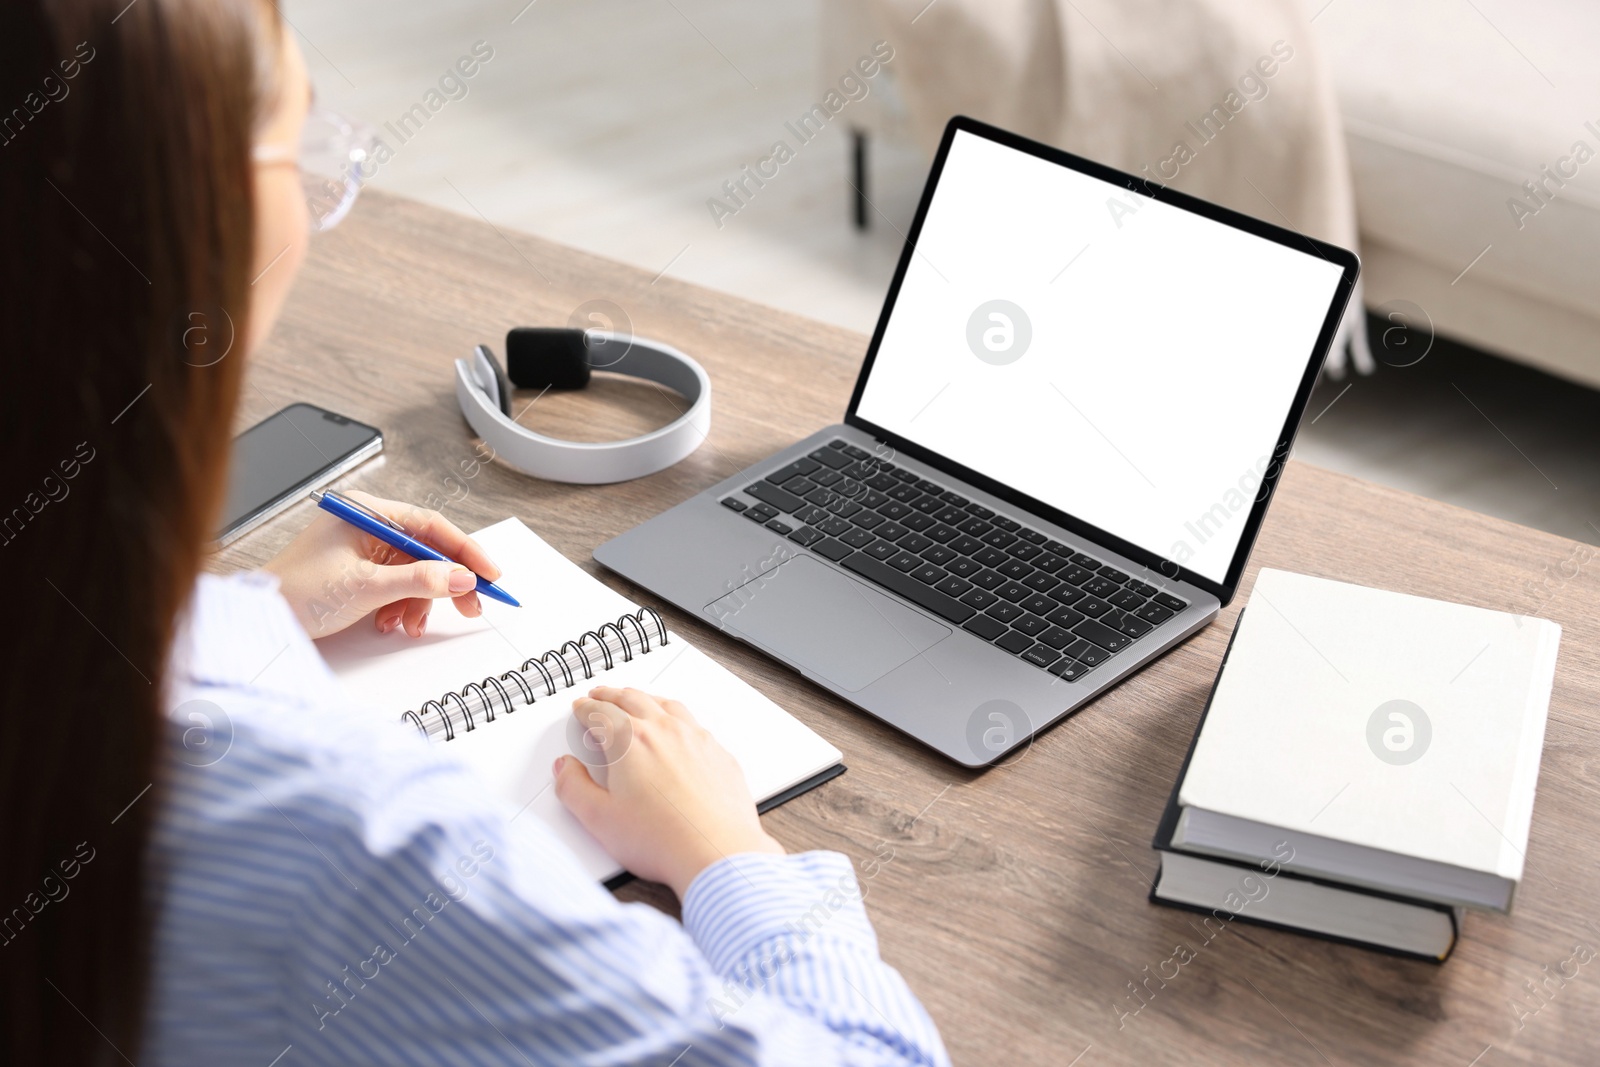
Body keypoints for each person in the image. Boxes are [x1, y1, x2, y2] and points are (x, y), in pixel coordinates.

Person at [0, 2, 951, 1064]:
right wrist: (727, 855)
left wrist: (256, 619)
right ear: (197, 213)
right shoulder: (349, 848)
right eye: (295, 135)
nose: (324, 193)